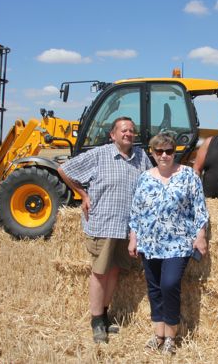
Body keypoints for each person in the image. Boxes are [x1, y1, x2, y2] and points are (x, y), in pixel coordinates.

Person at [58, 117, 152, 344]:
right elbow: (64, 169)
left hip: (127, 226)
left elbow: (151, 182)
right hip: (104, 223)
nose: (128, 133)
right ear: (112, 135)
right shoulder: (99, 154)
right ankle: (96, 320)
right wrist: (83, 194)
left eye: (131, 130)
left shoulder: (141, 157)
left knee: (114, 271)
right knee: (100, 272)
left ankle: (105, 313)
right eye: (123, 130)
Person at [128, 133, 209, 354]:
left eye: (169, 151)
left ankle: (171, 337)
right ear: (152, 153)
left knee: (169, 284)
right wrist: (133, 238)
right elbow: (136, 211)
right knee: (154, 288)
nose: (164, 155)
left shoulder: (189, 176)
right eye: (159, 151)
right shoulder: (145, 177)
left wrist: (200, 235)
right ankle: (158, 334)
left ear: (175, 152)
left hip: (178, 242)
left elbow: (199, 209)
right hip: (149, 242)